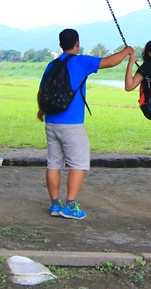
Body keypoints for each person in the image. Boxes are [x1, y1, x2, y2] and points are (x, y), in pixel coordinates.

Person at [38, 29, 135, 220]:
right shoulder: (81, 61)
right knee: (78, 165)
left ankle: (55, 205)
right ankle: (70, 206)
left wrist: (41, 110)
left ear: (60, 44)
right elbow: (110, 61)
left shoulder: (52, 65)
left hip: (51, 121)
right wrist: (127, 51)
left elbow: (41, 92)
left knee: (54, 164)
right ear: (77, 42)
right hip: (72, 124)